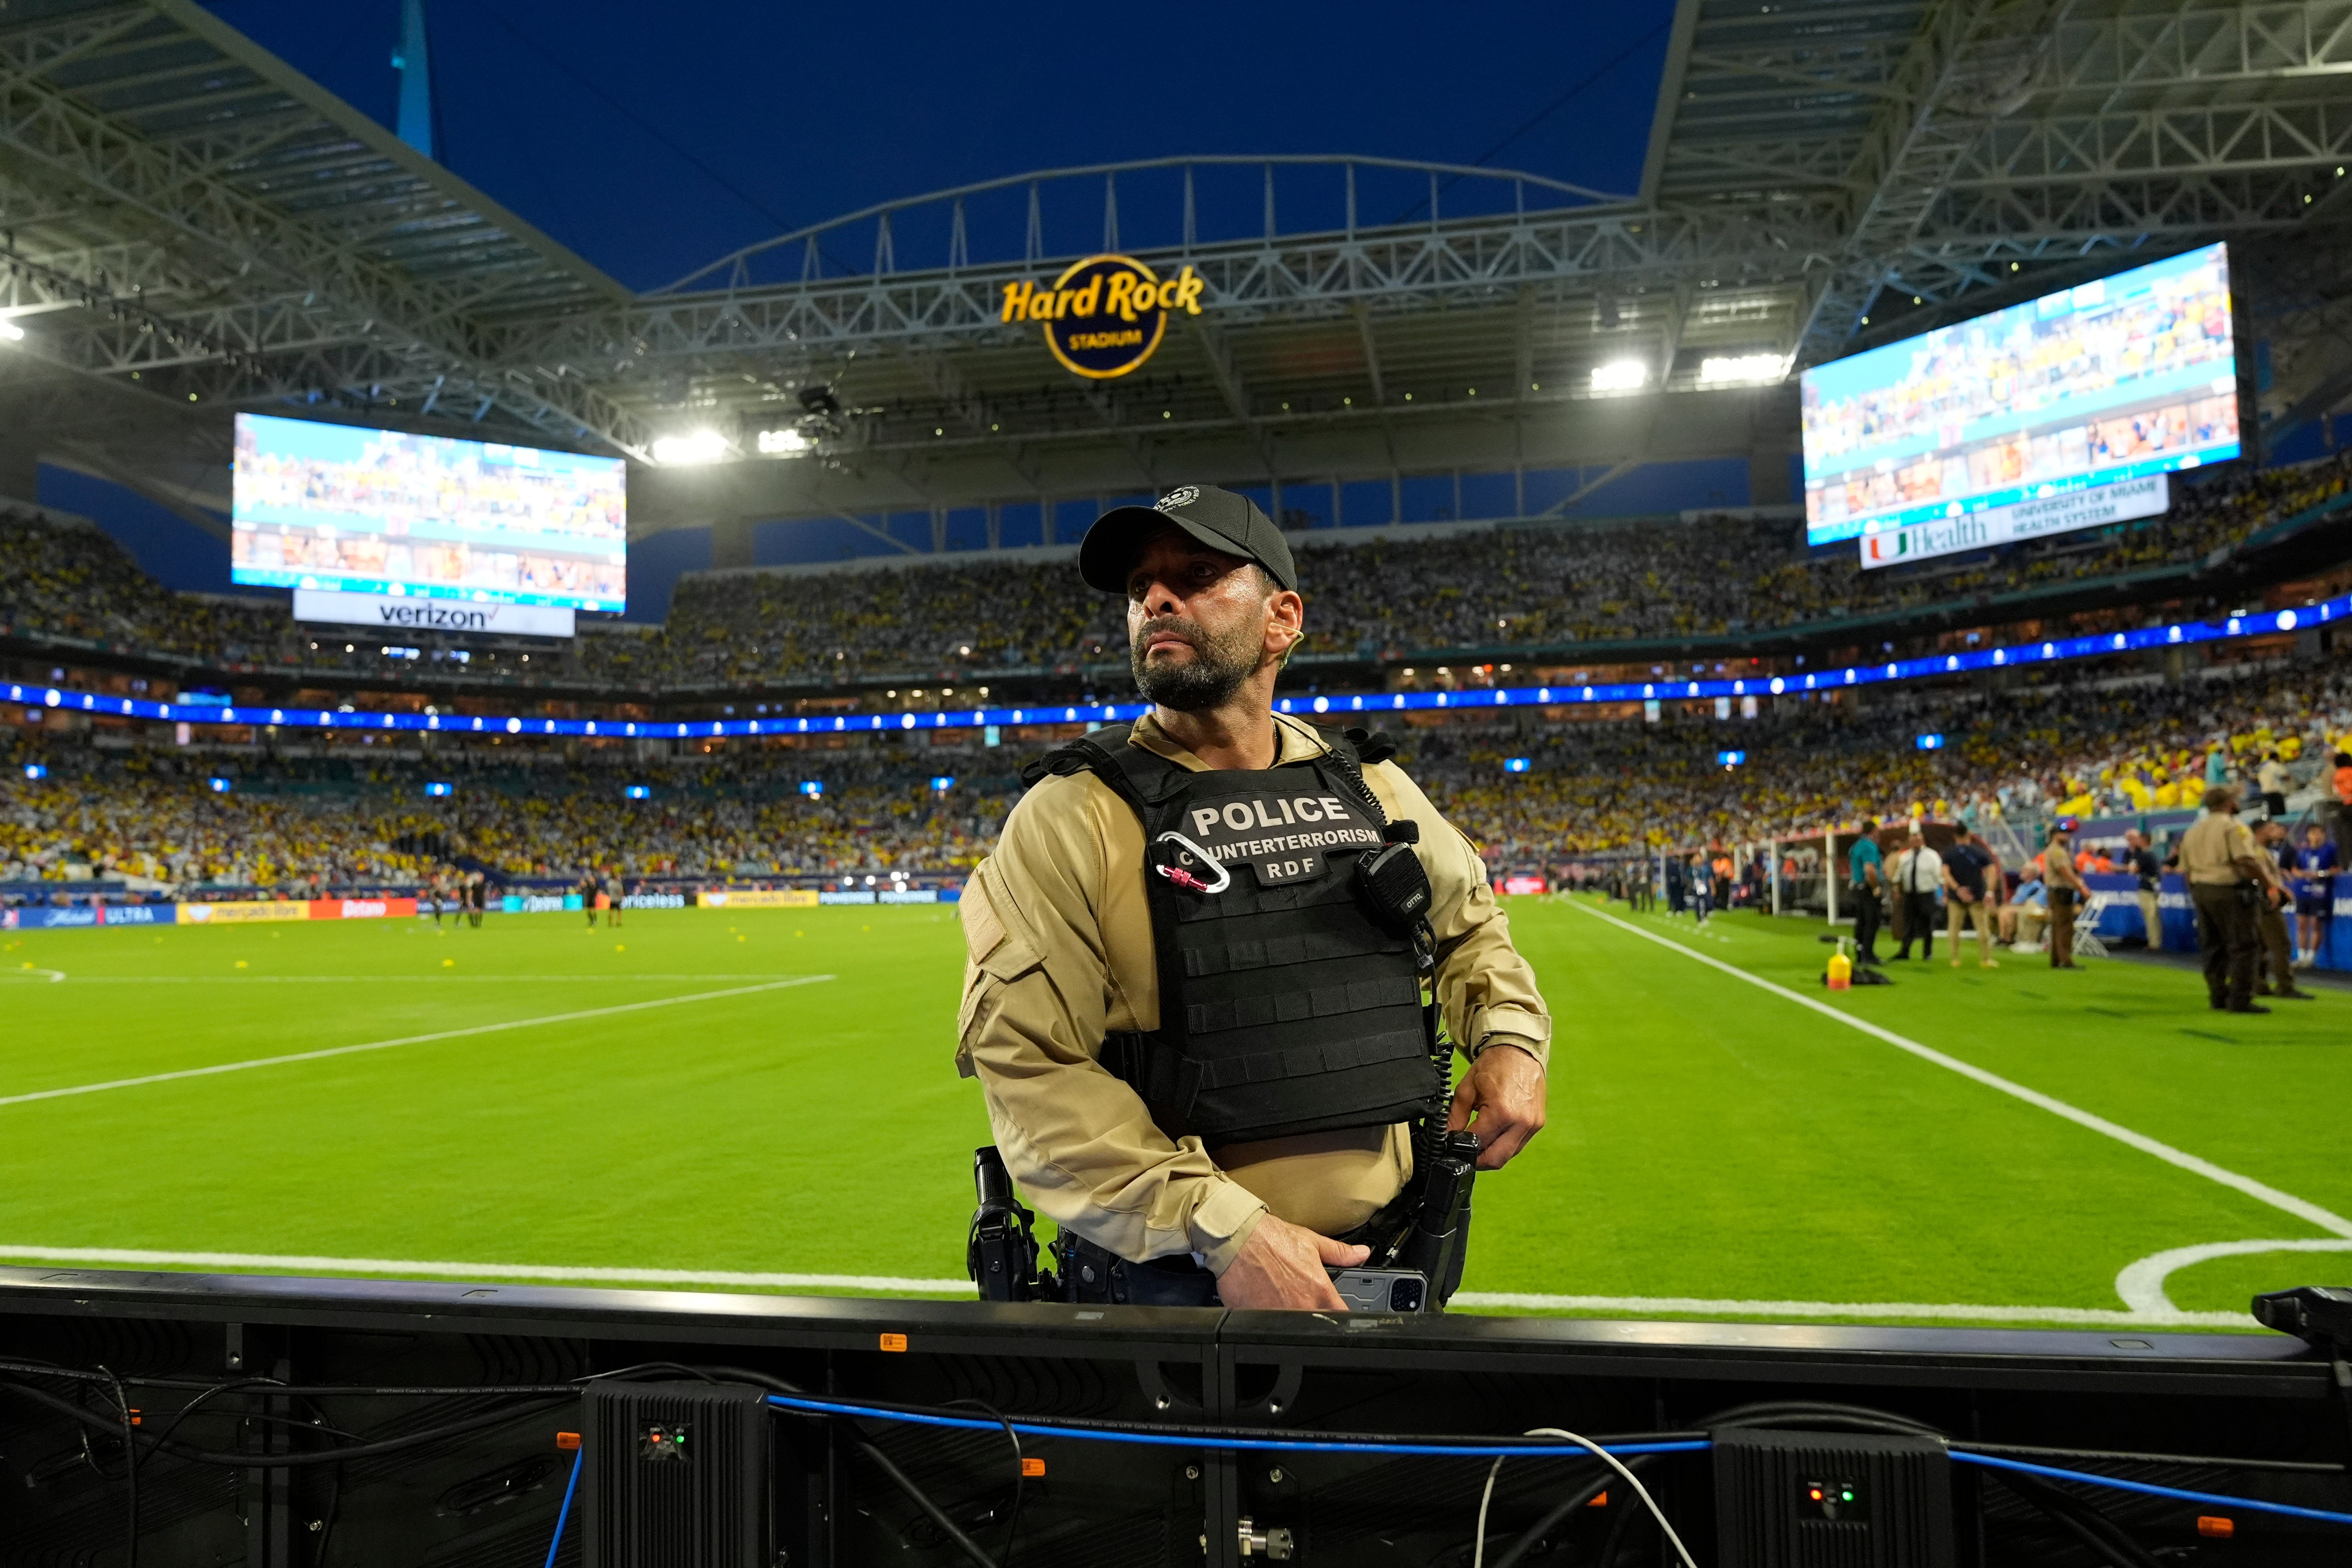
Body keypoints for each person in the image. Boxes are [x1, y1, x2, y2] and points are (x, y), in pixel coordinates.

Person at [956, 485, 1551, 1311]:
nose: (1157, 598)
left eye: (1197, 574)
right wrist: (1222, 1225)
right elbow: (1029, 1063)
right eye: (1140, 589)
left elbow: (1471, 929)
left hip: (1389, 1268)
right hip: (1171, 1291)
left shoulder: (1370, 786)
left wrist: (1511, 1039)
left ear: (1280, 618)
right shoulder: (1068, 816)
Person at [2177, 785, 2268, 1014]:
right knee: (2243, 945)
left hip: (2201, 888)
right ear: (2229, 804)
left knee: (2213, 945)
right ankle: (2240, 999)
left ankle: (2218, 995)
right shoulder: (2233, 826)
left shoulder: (2193, 831)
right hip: (2228, 889)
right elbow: (2246, 860)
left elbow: (2185, 870)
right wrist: (2271, 886)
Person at [1941, 825, 1999, 968]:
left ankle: (1955, 959)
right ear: (1970, 835)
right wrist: (1990, 892)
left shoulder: (1949, 853)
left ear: (1955, 836)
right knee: (1983, 928)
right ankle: (1986, 960)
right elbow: (1993, 872)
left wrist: (1958, 889)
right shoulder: (1980, 852)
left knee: (1954, 928)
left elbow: (1945, 874)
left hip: (1956, 896)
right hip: (1977, 894)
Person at [1887, 825, 1942, 962]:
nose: (1916, 841)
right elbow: (1899, 876)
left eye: (1918, 838)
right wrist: (1896, 891)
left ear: (1922, 840)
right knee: (1908, 924)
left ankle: (1927, 953)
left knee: (1927, 924)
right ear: (1910, 841)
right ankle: (1905, 951)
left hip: (1926, 894)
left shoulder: (1932, 856)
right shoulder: (1905, 857)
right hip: (1910, 894)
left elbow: (1939, 877)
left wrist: (1943, 894)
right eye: (1913, 838)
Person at [2291, 821, 2338, 968]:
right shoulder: (2302, 851)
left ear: (2324, 835)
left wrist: (2322, 874)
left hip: (2320, 893)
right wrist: (2303, 874)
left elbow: (2338, 869)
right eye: (2313, 833)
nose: (2316, 836)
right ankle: (2301, 956)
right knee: (2301, 924)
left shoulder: (2330, 850)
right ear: (2308, 835)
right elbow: (2295, 869)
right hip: (2302, 891)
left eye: (2319, 833)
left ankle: (2312, 957)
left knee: (2316, 924)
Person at [2040, 829, 2088, 970]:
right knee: (2065, 926)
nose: (2067, 837)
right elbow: (2064, 871)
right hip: (2061, 891)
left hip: (2056, 891)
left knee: (2057, 926)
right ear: (2056, 836)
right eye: (2064, 834)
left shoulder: (2056, 850)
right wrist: (2081, 888)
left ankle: (2057, 959)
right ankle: (2065, 960)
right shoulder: (2057, 851)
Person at [1848, 822, 1885, 966]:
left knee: (1861, 921)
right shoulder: (1869, 846)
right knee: (1872, 921)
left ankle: (1860, 952)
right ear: (1874, 831)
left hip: (1858, 887)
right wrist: (1876, 888)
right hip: (1868, 888)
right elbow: (1869, 870)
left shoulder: (1856, 846)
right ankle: (1868, 955)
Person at [2120, 830, 2163, 950]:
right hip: (2154, 887)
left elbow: (2134, 870)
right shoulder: (2151, 853)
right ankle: (2155, 942)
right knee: (2154, 915)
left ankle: (2154, 944)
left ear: (2143, 841)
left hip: (2147, 888)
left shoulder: (2145, 854)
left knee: (2150, 916)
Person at [2257, 751, 2292, 820]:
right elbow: (2286, 777)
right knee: (2280, 816)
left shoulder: (2263, 767)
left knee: (2271, 816)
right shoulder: (2276, 766)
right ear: (2277, 757)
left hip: (2265, 793)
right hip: (2276, 792)